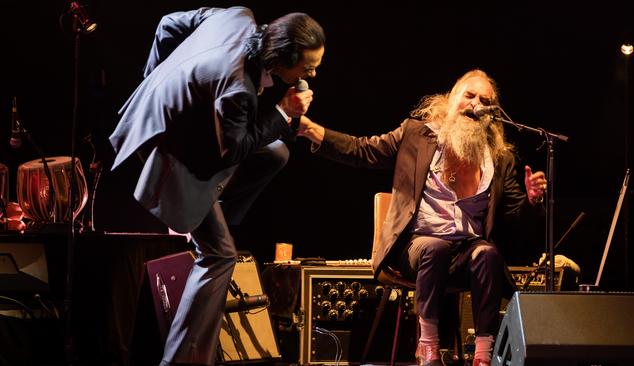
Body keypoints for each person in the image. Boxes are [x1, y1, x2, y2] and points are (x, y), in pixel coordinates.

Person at [108, 7, 325, 366]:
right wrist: (284, 111)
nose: (312, 74)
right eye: (306, 68)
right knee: (220, 254)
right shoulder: (238, 87)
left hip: (188, 132)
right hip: (172, 153)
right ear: (279, 58)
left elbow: (166, 24)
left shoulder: (239, 17)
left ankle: (211, 209)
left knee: (275, 153)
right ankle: (181, 360)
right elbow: (233, 150)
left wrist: (156, 78)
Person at [297, 69, 546, 366]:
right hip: (416, 248)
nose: (475, 104)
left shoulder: (498, 158)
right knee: (434, 247)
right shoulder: (417, 134)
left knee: (488, 253)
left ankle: (483, 352)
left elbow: (515, 220)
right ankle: (426, 346)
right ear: (451, 99)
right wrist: (313, 130)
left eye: (484, 101)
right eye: (469, 95)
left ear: (492, 113)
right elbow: (363, 150)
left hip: (466, 253)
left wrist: (533, 201)